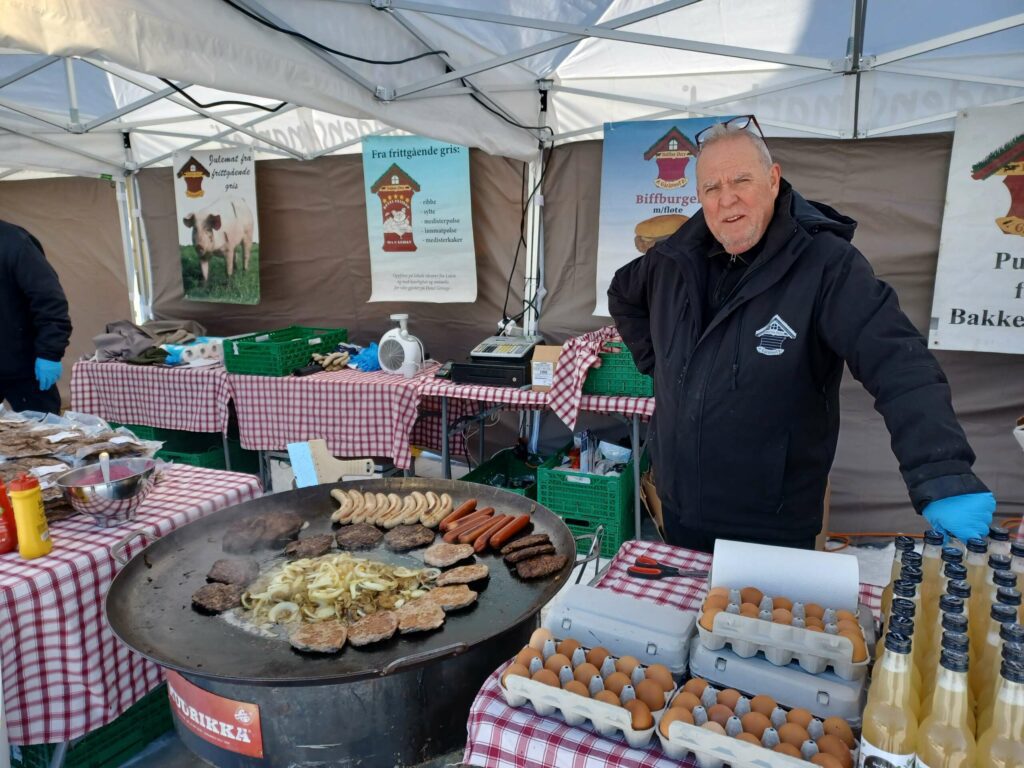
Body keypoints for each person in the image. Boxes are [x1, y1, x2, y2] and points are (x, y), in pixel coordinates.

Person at [608, 116, 994, 552]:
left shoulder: (828, 265)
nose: (727, 198)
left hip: (771, 524)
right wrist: (662, 366)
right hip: (678, 508)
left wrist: (943, 471)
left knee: (754, 622)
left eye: (741, 180)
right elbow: (623, 295)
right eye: (711, 188)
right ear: (699, 196)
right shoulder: (673, 258)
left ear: (773, 180)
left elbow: (897, 362)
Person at [0, 219, 72, 414]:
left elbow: (50, 300)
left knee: (44, 436)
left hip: (24, 368)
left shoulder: (15, 242)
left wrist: (49, 354)